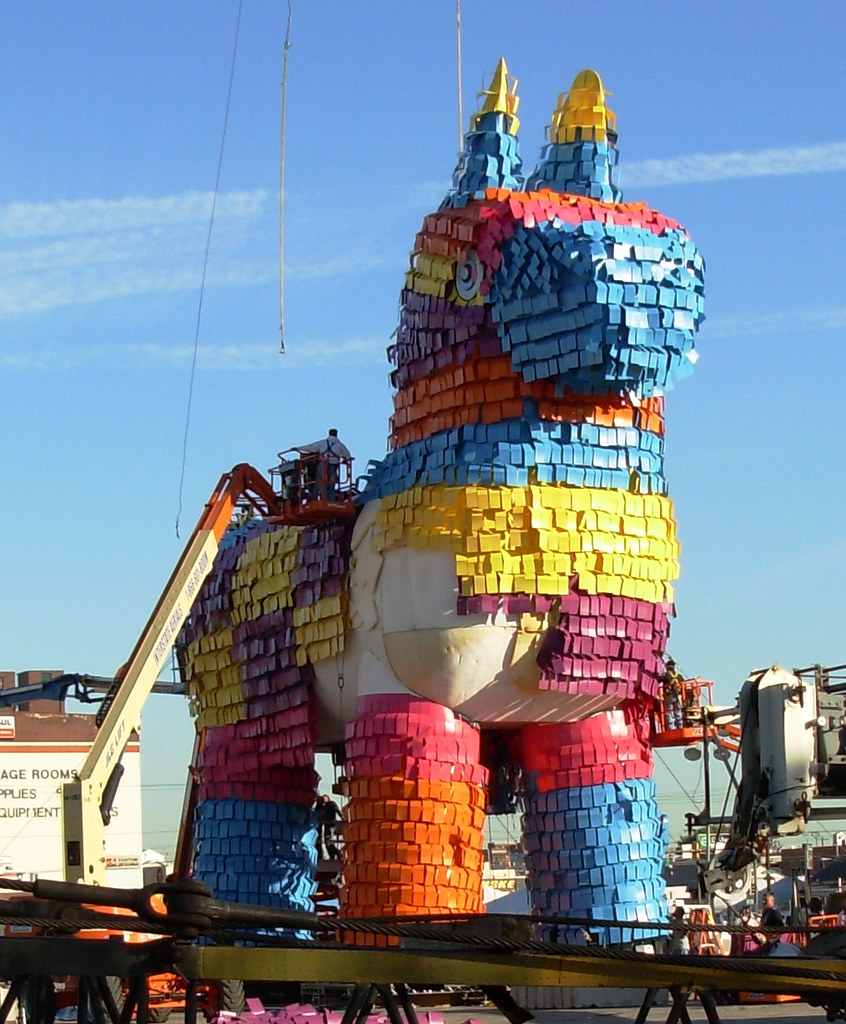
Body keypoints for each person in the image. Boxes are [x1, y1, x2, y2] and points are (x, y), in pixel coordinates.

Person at [298, 429, 352, 499]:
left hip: (322, 465)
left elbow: (310, 447)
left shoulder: (323, 443)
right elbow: (348, 455)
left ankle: (314, 497)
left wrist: (298, 448)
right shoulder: (340, 445)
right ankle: (330, 499)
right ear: (336, 434)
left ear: (329, 434)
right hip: (333, 466)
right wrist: (345, 460)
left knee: (319, 481)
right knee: (331, 484)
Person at [317, 793, 342, 859]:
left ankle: (337, 853)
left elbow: (338, 811)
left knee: (328, 842)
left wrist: (342, 817)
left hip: (331, 825)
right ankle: (332, 856)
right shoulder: (323, 806)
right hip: (327, 825)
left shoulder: (331, 804)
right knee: (326, 842)